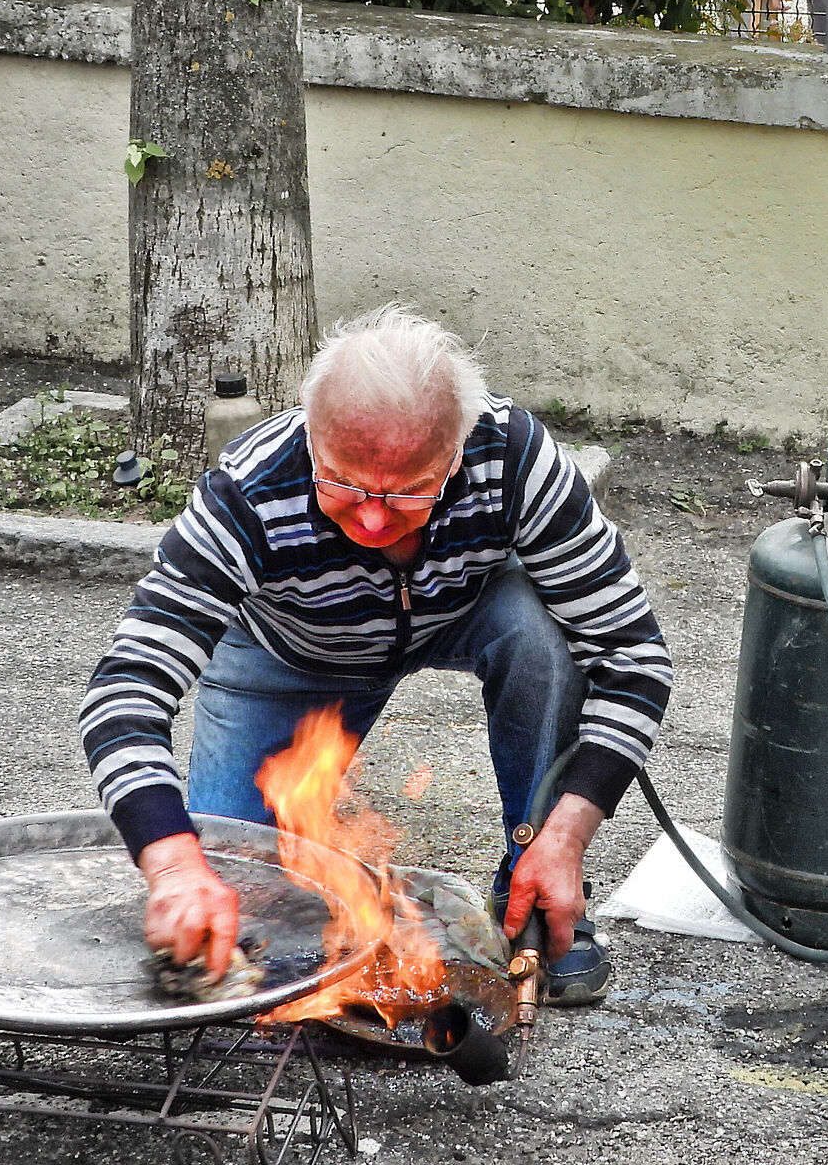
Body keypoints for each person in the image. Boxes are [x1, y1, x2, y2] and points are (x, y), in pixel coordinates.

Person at [80, 306, 672, 1006]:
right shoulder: (248, 491)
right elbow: (124, 690)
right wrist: (174, 865)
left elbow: (633, 656)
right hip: (286, 656)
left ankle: (532, 889)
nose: (370, 520)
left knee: (544, 631)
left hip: (462, 614)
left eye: (408, 491)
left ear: (456, 453)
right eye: (343, 482)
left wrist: (570, 833)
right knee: (239, 918)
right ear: (311, 434)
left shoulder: (512, 457)